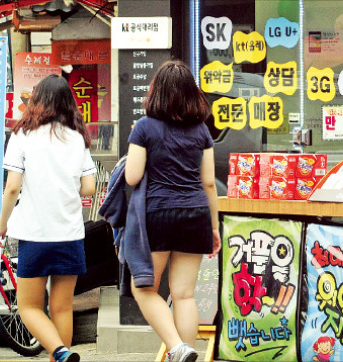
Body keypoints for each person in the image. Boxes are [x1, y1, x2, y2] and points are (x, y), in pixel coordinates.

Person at [0, 74, 96, 362]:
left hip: (34, 236)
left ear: (37, 101)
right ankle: (61, 352)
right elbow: (89, 187)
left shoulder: (22, 135)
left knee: (28, 308)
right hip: (70, 235)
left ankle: (60, 351)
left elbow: (12, 186)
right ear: (68, 103)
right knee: (62, 308)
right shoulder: (77, 137)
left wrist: (2, 225)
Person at [125, 60, 221, 362]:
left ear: (157, 92)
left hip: (158, 214)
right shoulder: (201, 131)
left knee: (143, 288)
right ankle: (185, 353)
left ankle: (177, 348)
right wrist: (215, 227)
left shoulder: (143, 128)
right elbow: (209, 183)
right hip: (195, 214)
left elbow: (132, 176)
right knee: (184, 294)